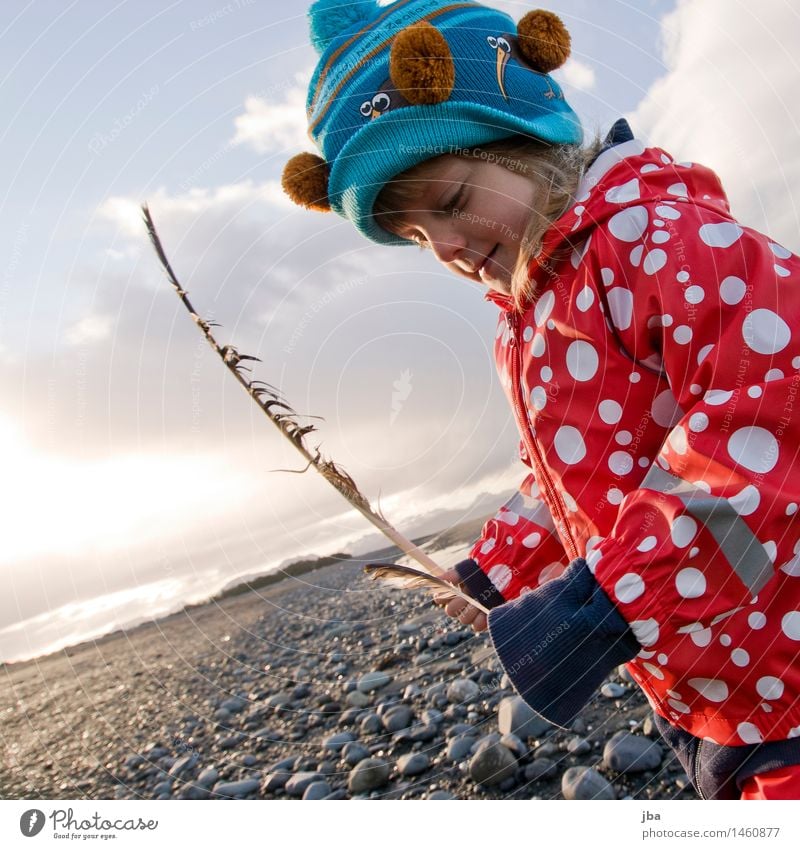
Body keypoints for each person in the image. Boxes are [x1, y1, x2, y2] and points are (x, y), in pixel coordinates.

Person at [281, 0, 800, 800]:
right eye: (417, 237)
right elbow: (564, 479)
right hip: (695, 672)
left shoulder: (657, 239)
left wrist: (606, 603)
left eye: (450, 202)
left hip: (777, 653)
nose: (446, 247)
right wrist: (495, 568)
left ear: (530, 139)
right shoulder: (527, 321)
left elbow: (761, 425)